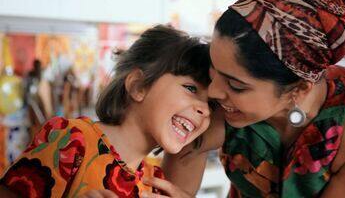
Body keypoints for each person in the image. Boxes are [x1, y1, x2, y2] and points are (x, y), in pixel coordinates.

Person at [142, 0, 345, 197]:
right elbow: (175, 178)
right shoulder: (219, 98)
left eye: (236, 86)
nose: (213, 91)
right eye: (213, 71)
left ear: (298, 90)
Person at [0, 25, 211, 198]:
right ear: (139, 86)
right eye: (191, 88)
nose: (204, 109)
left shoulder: (154, 182)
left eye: (212, 103)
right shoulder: (71, 140)